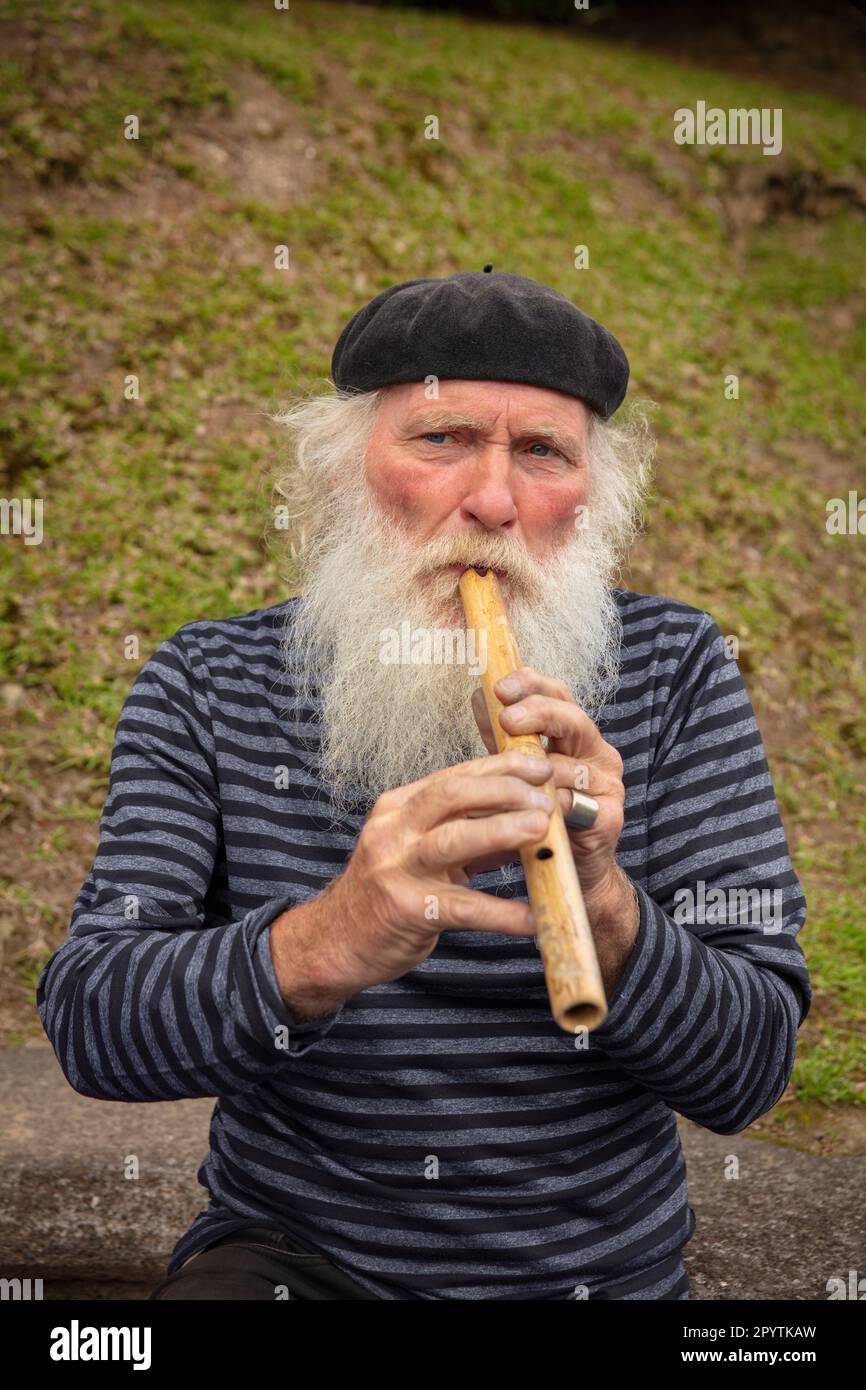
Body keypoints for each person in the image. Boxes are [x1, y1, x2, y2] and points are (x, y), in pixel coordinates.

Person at [36, 268, 811, 1300]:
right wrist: (328, 940)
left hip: (592, 1278)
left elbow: (748, 1070)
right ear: (340, 470)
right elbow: (95, 1024)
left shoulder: (674, 668)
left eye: (541, 452)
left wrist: (605, 905)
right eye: (440, 438)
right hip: (298, 1265)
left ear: (591, 499)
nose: (491, 501)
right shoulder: (206, 682)